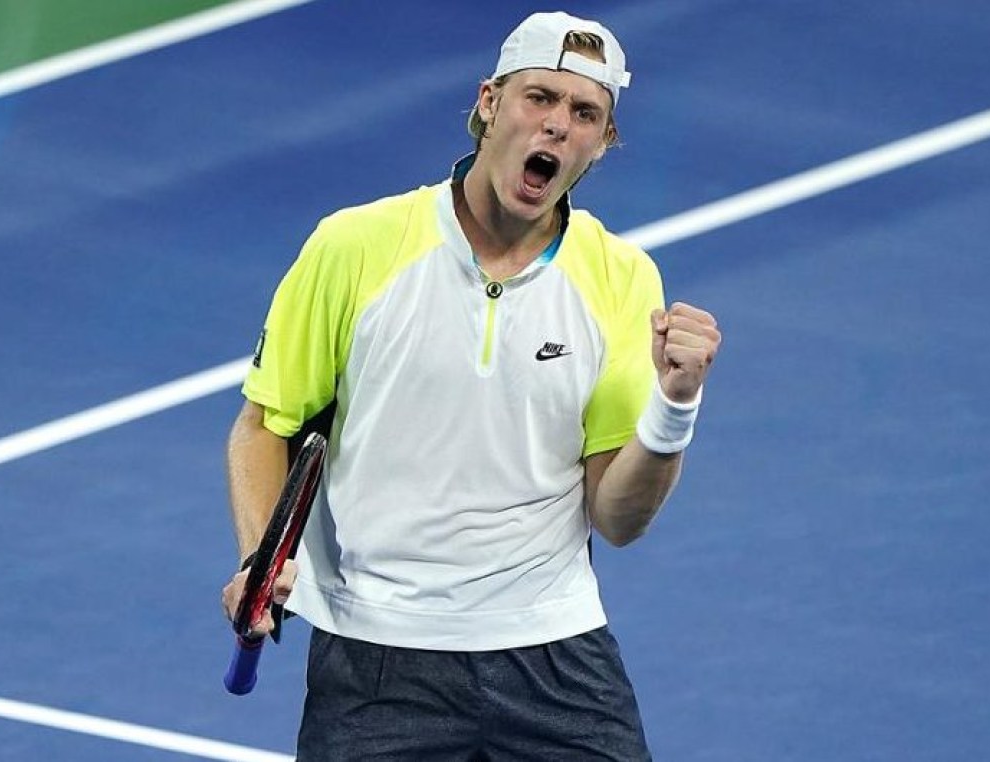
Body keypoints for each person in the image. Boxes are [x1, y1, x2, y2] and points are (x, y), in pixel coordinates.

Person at [221, 11, 720, 760]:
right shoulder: (355, 246)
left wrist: (676, 406)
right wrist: (258, 563)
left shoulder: (622, 279)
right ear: (489, 103)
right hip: (376, 661)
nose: (556, 126)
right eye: (538, 99)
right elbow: (267, 424)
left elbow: (617, 517)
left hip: (556, 655)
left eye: (585, 113)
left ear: (603, 143)